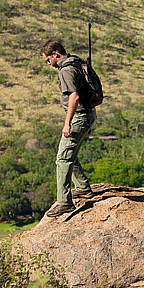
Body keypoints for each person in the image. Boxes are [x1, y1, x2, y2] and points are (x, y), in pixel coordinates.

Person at [40, 40, 96, 217]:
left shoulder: (66, 70)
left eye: (48, 60)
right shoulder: (77, 61)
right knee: (70, 153)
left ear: (56, 54)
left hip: (79, 116)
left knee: (62, 159)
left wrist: (67, 123)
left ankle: (64, 202)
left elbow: (74, 97)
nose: (48, 64)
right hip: (89, 114)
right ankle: (83, 187)